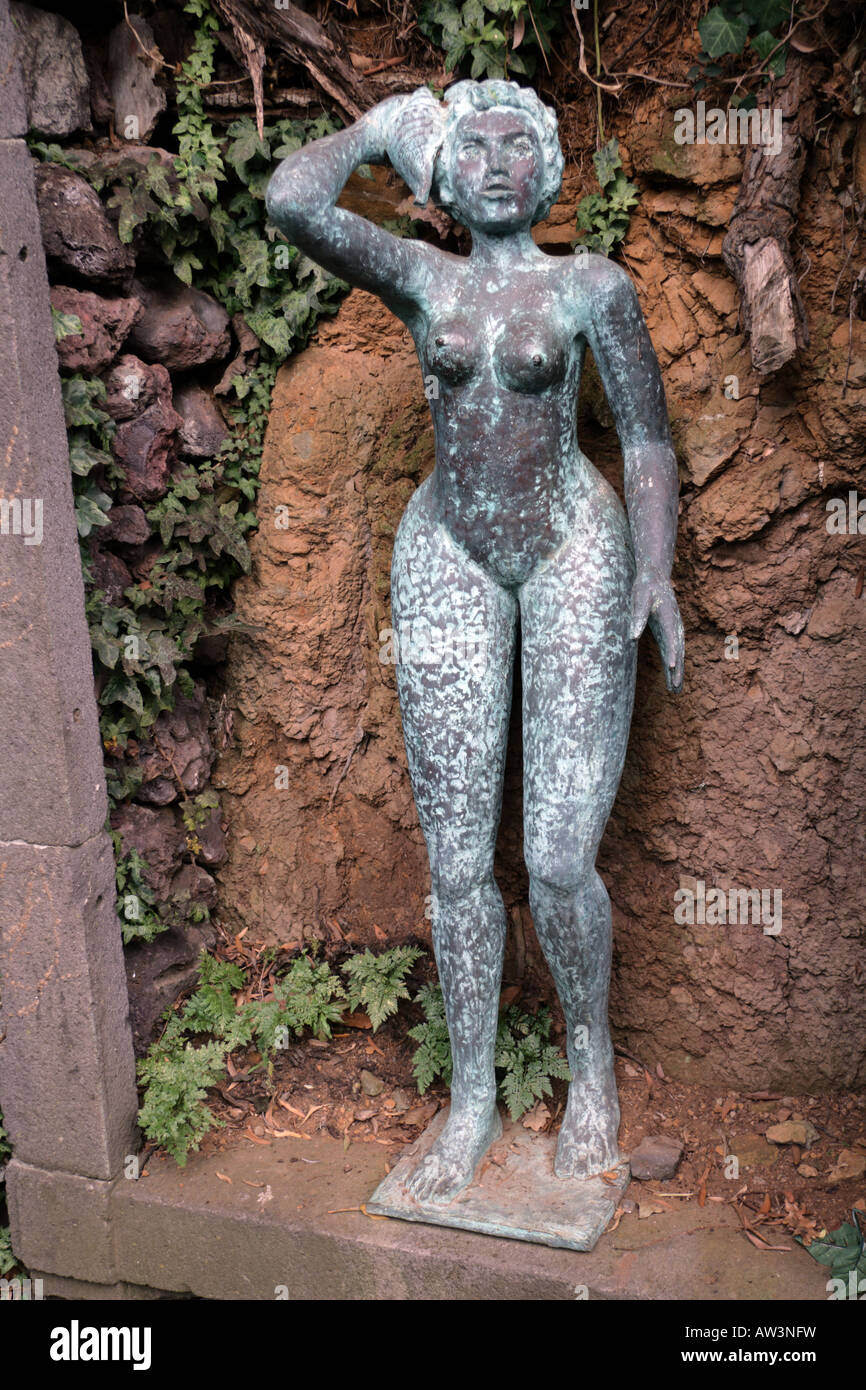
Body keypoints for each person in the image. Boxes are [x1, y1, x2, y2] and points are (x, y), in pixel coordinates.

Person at [266, 80, 684, 1204]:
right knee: (456, 866)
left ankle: (587, 1060)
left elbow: (644, 439)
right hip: (448, 545)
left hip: (568, 545)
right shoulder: (422, 277)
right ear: (444, 175)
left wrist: (654, 572)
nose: (496, 162)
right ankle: (469, 1097)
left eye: (517, 146)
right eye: (473, 147)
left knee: (553, 859)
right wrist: (374, 130)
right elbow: (289, 202)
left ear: (545, 170)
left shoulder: (589, 284)